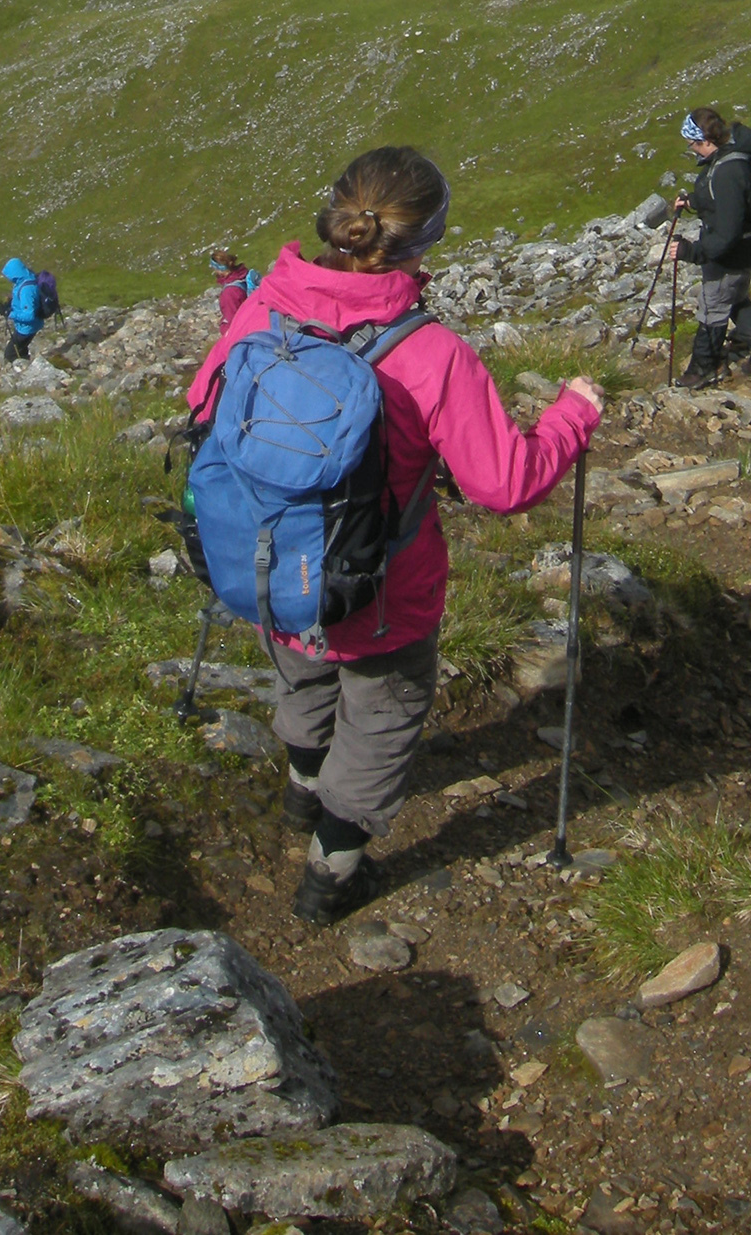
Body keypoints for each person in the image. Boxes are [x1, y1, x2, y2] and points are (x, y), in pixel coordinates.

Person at [185, 144, 603, 924]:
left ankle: (300, 794)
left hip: (270, 564)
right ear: (426, 238)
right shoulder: (430, 352)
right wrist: (573, 414)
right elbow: (506, 483)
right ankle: (331, 875)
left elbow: (202, 405)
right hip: (382, 594)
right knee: (379, 720)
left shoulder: (264, 304)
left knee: (302, 677)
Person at [664, 106, 751, 386]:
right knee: (734, 299)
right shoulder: (731, 156)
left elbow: (727, 231)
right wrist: (695, 201)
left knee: (712, 306)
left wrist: (691, 251)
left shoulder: (728, 171)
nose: (692, 150)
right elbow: (727, 202)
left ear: (705, 141)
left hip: (732, 254)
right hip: (747, 247)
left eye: (692, 144)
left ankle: (703, 368)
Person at [0, 256, 59, 362]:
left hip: (27, 328)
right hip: (29, 326)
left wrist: (9, 313)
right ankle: (25, 360)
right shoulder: (27, 278)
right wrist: (10, 305)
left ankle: (22, 368)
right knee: (21, 349)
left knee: (10, 354)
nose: (8, 278)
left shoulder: (26, 289)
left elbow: (29, 315)